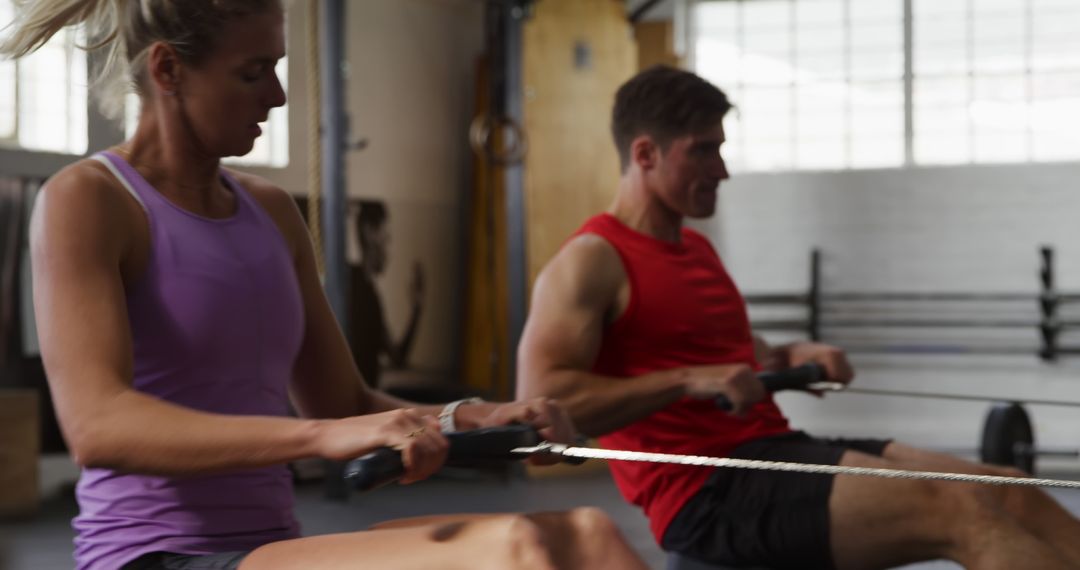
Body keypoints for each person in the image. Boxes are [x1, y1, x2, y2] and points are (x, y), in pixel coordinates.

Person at [1, 2, 650, 569]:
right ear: (168, 70)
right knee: (519, 552)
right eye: (253, 73)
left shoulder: (271, 209)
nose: (278, 96)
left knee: (586, 535)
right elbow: (98, 426)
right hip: (152, 554)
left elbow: (338, 401)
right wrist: (319, 439)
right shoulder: (90, 199)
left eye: (277, 67)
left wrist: (472, 417)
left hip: (270, 546)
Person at [516, 64, 1080, 570]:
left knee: (1008, 488)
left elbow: (732, 357)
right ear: (645, 155)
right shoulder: (591, 260)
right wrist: (685, 381)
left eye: (721, 148)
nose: (723, 170)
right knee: (960, 510)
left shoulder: (696, 251)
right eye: (702, 151)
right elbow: (541, 403)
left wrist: (791, 355)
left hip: (772, 449)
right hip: (703, 489)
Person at [347, 200, 423, 388]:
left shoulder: (369, 291)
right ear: (370, 232)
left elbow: (397, 356)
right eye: (386, 237)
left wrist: (417, 308)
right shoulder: (354, 286)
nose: (388, 249)